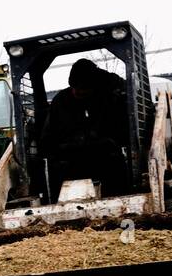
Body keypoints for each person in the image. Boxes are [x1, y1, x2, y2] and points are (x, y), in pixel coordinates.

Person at [39, 58, 131, 199]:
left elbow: (122, 128)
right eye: (75, 87)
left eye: (83, 88)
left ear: (93, 86)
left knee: (114, 166)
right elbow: (48, 139)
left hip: (105, 158)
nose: (78, 92)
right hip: (70, 161)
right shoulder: (61, 101)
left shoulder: (108, 98)